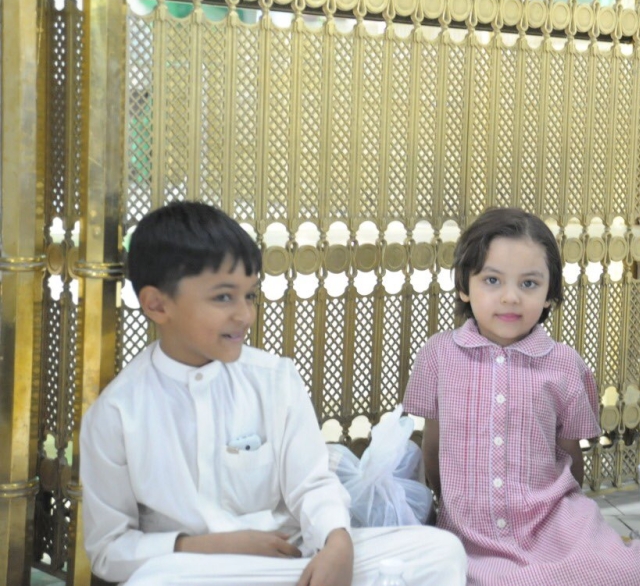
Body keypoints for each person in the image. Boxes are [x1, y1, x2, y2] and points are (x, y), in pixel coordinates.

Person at [80, 201, 467, 585]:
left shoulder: (274, 378)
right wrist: (214, 547)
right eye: (223, 297)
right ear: (157, 305)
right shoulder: (117, 413)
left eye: (249, 296)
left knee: (440, 551)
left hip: (293, 562)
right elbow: (109, 550)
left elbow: (312, 485)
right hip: (196, 571)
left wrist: (336, 543)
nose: (245, 315)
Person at [403, 207, 640, 585]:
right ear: (464, 286)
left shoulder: (564, 364)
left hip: (551, 521)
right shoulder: (438, 355)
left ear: (549, 294)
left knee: (632, 573)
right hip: (470, 532)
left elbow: (571, 460)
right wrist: (446, 506)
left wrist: (574, 526)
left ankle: (611, 557)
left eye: (529, 284)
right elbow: (433, 448)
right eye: (492, 280)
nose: (510, 297)